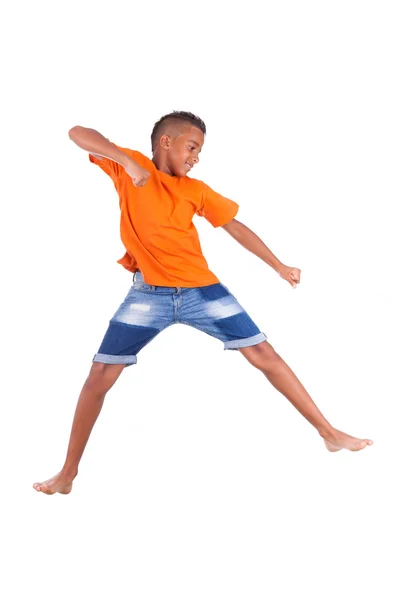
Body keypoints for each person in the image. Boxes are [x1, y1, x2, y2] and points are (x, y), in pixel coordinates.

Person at [33, 111, 373, 495]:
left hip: (202, 291)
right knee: (98, 378)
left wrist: (278, 265)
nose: (195, 157)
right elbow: (77, 131)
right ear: (167, 141)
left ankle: (327, 432)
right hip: (148, 296)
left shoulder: (195, 189)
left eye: (199, 151)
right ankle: (67, 474)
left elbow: (235, 227)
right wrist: (126, 162)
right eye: (192, 147)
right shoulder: (131, 167)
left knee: (265, 354)